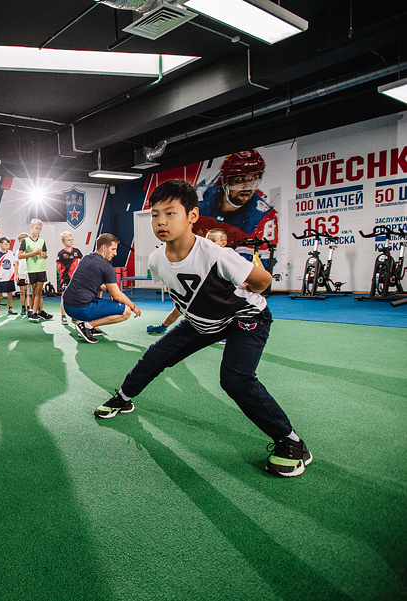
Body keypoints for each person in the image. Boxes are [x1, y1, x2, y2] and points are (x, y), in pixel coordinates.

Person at [94, 179, 311, 478]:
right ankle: (124, 397)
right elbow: (181, 296)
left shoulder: (216, 255)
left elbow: (263, 281)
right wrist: (172, 325)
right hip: (202, 323)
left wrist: (243, 288)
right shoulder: (157, 260)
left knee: (235, 379)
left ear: (193, 216)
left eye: (170, 213)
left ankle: (292, 442)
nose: (161, 221)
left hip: (245, 317)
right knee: (156, 355)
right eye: (156, 214)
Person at [146, 228, 229, 336]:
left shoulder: (226, 259)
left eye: (213, 241)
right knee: (177, 311)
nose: (208, 243)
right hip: (194, 294)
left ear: (223, 243)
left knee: (221, 314)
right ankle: (162, 327)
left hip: (216, 296)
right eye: (207, 240)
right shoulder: (199, 255)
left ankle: (222, 335)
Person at [63, 234, 140, 343]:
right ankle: (87, 326)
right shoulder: (106, 266)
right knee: (126, 311)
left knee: (100, 294)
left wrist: (108, 290)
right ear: (104, 248)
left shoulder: (86, 258)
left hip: (68, 306)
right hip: (80, 309)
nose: (115, 253)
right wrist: (133, 307)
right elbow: (117, 295)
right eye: (113, 249)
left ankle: (89, 327)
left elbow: (90, 282)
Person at [196, 149, 277, 248]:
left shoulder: (263, 217)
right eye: (240, 180)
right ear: (224, 181)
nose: (247, 186)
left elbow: (259, 259)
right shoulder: (200, 199)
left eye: (253, 179)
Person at [18, 219, 51, 323]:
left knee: (39, 291)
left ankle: (35, 312)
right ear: (31, 228)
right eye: (36, 228)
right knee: (34, 291)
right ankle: (34, 311)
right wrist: (34, 253)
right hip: (32, 269)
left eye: (40, 229)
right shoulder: (25, 241)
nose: (38, 230)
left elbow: (45, 255)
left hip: (41, 268)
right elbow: (20, 255)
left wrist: (44, 255)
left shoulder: (42, 241)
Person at [56, 231, 84, 325]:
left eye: (72, 240)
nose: (71, 242)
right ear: (63, 241)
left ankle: (74, 316)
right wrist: (62, 275)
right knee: (64, 298)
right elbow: (58, 267)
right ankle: (63, 317)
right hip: (65, 278)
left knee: (75, 298)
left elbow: (83, 261)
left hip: (75, 278)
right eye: (68, 240)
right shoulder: (61, 253)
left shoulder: (77, 251)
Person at [0, 236, 18, 316]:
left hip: (9, 277)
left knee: (10, 293)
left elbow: (13, 263)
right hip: (1, 277)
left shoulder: (10, 253)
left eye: (8, 245)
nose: (7, 246)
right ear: (0, 244)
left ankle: (10, 308)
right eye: (5, 244)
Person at [15, 232, 30, 316]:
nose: (21, 243)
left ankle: (29, 308)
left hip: (28, 274)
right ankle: (23, 307)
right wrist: (17, 274)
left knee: (29, 292)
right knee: (22, 291)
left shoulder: (29, 251)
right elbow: (16, 263)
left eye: (22, 241)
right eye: (20, 242)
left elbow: (30, 263)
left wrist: (28, 275)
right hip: (20, 274)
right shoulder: (18, 252)